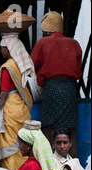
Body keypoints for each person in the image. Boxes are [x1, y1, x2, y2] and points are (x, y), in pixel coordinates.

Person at [30, 11, 82, 158]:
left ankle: (47, 166)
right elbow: (78, 71)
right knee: (70, 132)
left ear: (46, 29)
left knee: (47, 129)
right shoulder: (74, 43)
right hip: (69, 89)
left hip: (51, 89)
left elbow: (30, 67)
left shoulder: (42, 43)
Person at [0, 33, 35, 170]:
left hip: (11, 109)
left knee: (11, 146)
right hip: (21, 108)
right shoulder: (21, 65)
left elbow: (4, 94)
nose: (1, 50)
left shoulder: (7, 67)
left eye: (2, 48)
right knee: (22, 143)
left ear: (8, 49)